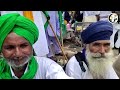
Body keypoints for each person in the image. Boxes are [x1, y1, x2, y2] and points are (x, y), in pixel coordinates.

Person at [0, 13, 73, 79]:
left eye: (23, 46)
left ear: (31, 46)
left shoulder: (48, 68)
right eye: (10, 48)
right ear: (1, 49)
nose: (18, 54)